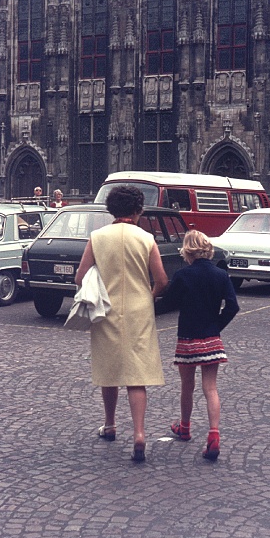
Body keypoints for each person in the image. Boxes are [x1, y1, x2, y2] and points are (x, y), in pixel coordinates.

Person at [74, 185, 168, 462]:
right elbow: (161, 280)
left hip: (107, 308)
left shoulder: (97, 237)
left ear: (112, 209)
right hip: (140, 311)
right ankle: (139, 433)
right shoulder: (147, 238)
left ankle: (110, 424)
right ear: (138, 209)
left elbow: (80, 277)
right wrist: (148, 296)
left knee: (109, 368)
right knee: (136, 373)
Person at [156, 230, 239, 461]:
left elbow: (168, 303)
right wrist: (216, 326)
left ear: (187, 250)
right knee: (210, 388)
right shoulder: (221, 275)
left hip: (188, 339)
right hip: (212, 338)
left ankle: (185, 427)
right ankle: (213, 434)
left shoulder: (183, 275)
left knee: (187, 386)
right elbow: (233, 306)